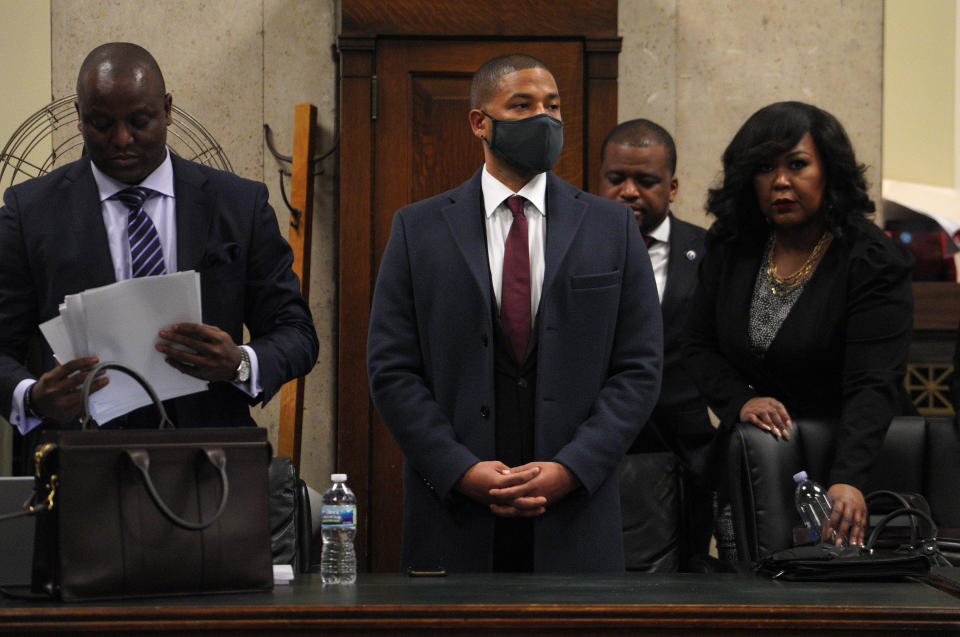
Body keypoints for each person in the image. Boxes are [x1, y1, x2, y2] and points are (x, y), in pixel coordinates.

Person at [366, 53, 663, 573]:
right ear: (480, 122)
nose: (544, 119)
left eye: (553, 106)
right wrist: (460, 470)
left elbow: (638, 369)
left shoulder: (611, 227)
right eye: (522, 105)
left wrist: (572, 467)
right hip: (455, 516)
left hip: (575, 516)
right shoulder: (418, 229)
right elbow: (392, 370)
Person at [0, 43, 318, 455]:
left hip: (210, 464)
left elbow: (297, 333)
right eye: (100, 123)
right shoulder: (30, 212)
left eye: (140, 121)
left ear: (168, 110)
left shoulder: (238, 206)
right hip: (76, 463)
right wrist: (32, 396)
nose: (121, 139)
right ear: (78, 117)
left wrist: (239, 362)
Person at [683, 101, 913, 552]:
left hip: (854, 461)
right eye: (765, 167)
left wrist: (849, 479)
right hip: (758, 465)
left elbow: (873, 381)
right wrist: (741, 400)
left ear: (830, 171)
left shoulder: (871, 259)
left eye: (798, 165)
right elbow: (697, 343)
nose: (781, 181)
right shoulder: (733, 245)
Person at [598, 119, 714, 571]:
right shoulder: (571, 245)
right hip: (600, 439)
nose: (629, 191)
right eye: (616, 179)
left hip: (683, 445)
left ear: (673, 186)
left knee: (683, 573)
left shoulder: (707, 252)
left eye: (645, 181)